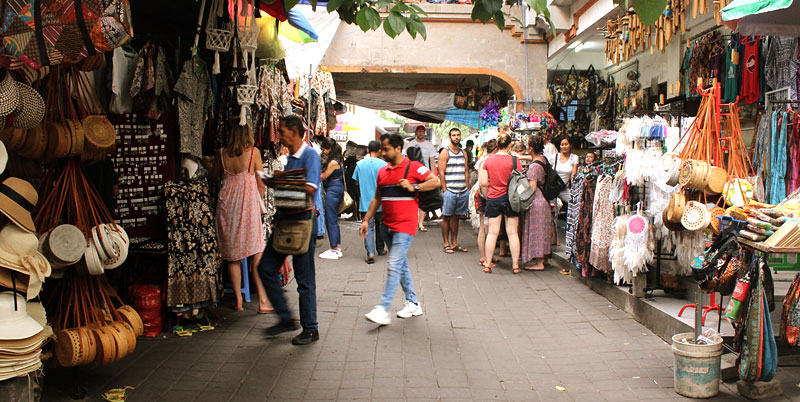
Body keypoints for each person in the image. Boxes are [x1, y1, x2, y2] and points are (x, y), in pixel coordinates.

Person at [361, 133, 440, 325]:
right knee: (400, 264)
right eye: (382, 149)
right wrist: (366, 219)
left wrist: (414, 187)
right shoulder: (383, 171)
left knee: (394, 264)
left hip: (405, 225)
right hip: (387, 225)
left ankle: (383, 307)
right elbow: (377, 198)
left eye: (386, 149)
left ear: (398, 148)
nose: (383, 152)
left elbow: (435, 181)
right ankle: (413, 302)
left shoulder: (413, 167)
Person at [258, 115, 321, 345]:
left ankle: (310, 328)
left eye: (283, 131)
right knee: (265, 267)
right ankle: (285, 317)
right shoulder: (291, 158)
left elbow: (310, 188)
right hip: (286, 221)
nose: (280, 136)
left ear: (294, 132)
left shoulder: (309, 155)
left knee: (304, 278)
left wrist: (280, 181)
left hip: (302, 222)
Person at [207, 124, 272, 313]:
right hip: (248, 205)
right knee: (256, 251)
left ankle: (238, 301)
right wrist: (259, 201)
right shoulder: (253, 153)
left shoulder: (222, 153)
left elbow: (213, 176)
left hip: (226, 205)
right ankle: (262, 301)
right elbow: (261, 182)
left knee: (233, 256)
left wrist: (205, 164)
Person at [479, 133, 522, 274]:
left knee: (492, 233)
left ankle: (487, 263)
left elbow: (483, 183)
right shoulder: (516, 161)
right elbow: (520, 180)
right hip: (511, 199)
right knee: (513, 233)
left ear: (497, 145)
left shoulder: (488, 161)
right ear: (509, 145)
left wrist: (494, 183)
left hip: (493, 198)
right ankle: (515, 266)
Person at [352, 140, 388, 264]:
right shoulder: (384, 165)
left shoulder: (360, 164)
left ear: (368, 150)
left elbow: (356, 183)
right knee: (381, 226)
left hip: (365, 203)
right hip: (381, 202)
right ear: (379, 151)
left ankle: (370, 253)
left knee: (368, 227)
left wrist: (360, 195)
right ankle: (380, 248)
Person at [520, 135, 553, 271]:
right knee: (543, 230)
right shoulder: (543, 160)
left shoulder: (533, 167)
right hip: (544, 201)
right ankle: (544, 258)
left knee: (537, 230)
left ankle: (539, 263)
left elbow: (532, 188)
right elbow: (533, 159)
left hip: (536, 201)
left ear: (531, 148)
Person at [438, 128, 470, 254]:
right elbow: (441, 172)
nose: (456, 137)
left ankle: (454, 243)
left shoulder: (463, 153)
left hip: (462, 191)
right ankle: (446, 244)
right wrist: (445, 190)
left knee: (456, 218)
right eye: (453, 135)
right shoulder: (445, 152)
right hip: (450, 191)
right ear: (450, 137)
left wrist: (467, 187)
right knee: (446, 217)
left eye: (458, 135)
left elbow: (466, 170)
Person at [404, 125, 436, 232]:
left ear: (425, 133)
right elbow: (407, 160)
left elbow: (432, 161)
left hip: (424, 174)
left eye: (422, 131)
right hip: (412, 173)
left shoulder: (429, 145)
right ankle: (411, 221)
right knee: (411, 198)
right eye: (419, 132)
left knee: (423, 199)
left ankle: (421, 223)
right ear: (416, 133)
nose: (421, 133)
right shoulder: (410, 144)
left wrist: (434, 175)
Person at [318, 138, 344, 260]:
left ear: (329, 149)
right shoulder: (337, 160)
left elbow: (323, 176)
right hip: (336, 189)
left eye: (324, 149)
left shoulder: (333, 162)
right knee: (333, 219)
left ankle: (334, 249)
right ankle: (337, 247)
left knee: (331, 219)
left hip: (333, 191)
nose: (323, 151)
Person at [475, 139, 498, 268]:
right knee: (484, 228)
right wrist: (489, 198)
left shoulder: (484, 160)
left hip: (486, 196)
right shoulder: (486, 161)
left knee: (488, 229)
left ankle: (488, 255)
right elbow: (483, 183)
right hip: (485, 197)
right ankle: (483, 257)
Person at [548, 136, 579, 208]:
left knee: (575, 202)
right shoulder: (554, 157)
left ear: (570, 145)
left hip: (563, 188)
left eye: (566, 144)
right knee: (553, 207)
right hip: (553, 187)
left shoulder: (574, 157)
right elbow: (548, 172)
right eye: (562, 145)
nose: (564, 147)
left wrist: (574, 188)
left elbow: (573, 175)